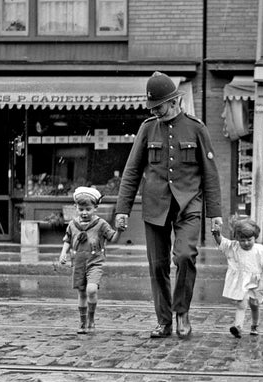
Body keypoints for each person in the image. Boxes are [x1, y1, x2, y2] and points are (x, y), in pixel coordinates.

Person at [115, 71, 223, 339]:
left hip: (189, 205)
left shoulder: (197, 128)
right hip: (155, 206)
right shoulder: (147, 129)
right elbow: (131, 172)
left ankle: (182, 312)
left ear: (174, 101)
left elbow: (210, 173)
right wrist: (122, 210)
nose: (155, 111)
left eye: (159, 106)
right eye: (152, 107)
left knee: (185, 256)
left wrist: (215, 215)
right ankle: (163, 321)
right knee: (157, 265)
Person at [59, 186, 122, 334]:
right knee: (81, 293)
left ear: (95, 208)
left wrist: (119, 231)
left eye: (88, 209)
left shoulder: (101, 224)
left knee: (91, 290)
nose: (84, 212)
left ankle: (91, 319)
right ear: (76, 208)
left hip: (95, 262)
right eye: (81, 209)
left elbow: (112, 238)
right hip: (78, 263)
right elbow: (67, 239)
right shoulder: (73, 224)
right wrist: (63, 254)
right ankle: (83, 322)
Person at [212, 217, 263, 338]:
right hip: (241, 282)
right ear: (237, 239)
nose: (246, 243)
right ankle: (238, 327)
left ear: (255, 237)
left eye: (249, 240)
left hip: (256, 282)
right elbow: (222, 242)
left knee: (254, 304)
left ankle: (255, 325)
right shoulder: (234, 247)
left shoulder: (260, 249)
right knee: (241, 304)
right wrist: (217, 234)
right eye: (242, 240)